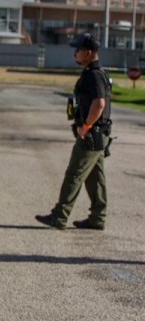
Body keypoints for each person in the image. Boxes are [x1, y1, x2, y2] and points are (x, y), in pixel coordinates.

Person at [36, 33, 111, 231]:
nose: (75, 53)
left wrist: (86, 126)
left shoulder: (94, 75)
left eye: (78, 50)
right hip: (98, 134)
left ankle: (59, 216)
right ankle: (97, 217)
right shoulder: (96, 72)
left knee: (74, 174)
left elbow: (99, 103)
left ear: (88, 53)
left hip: (91, 134)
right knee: (95, 177)